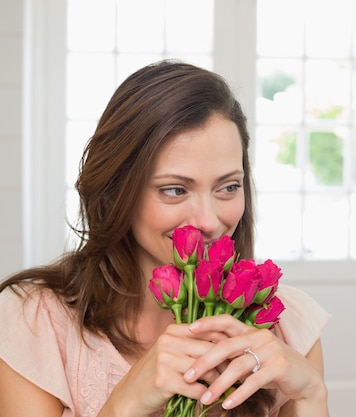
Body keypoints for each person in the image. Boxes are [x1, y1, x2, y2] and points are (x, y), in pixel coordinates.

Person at [0, 60, 331, 417]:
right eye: (175, 189)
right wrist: (125, 403)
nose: (208, 221)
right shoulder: (34, 322)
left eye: (228, 187)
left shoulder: (285, 324)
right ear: (117, 191)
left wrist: (313, 396)